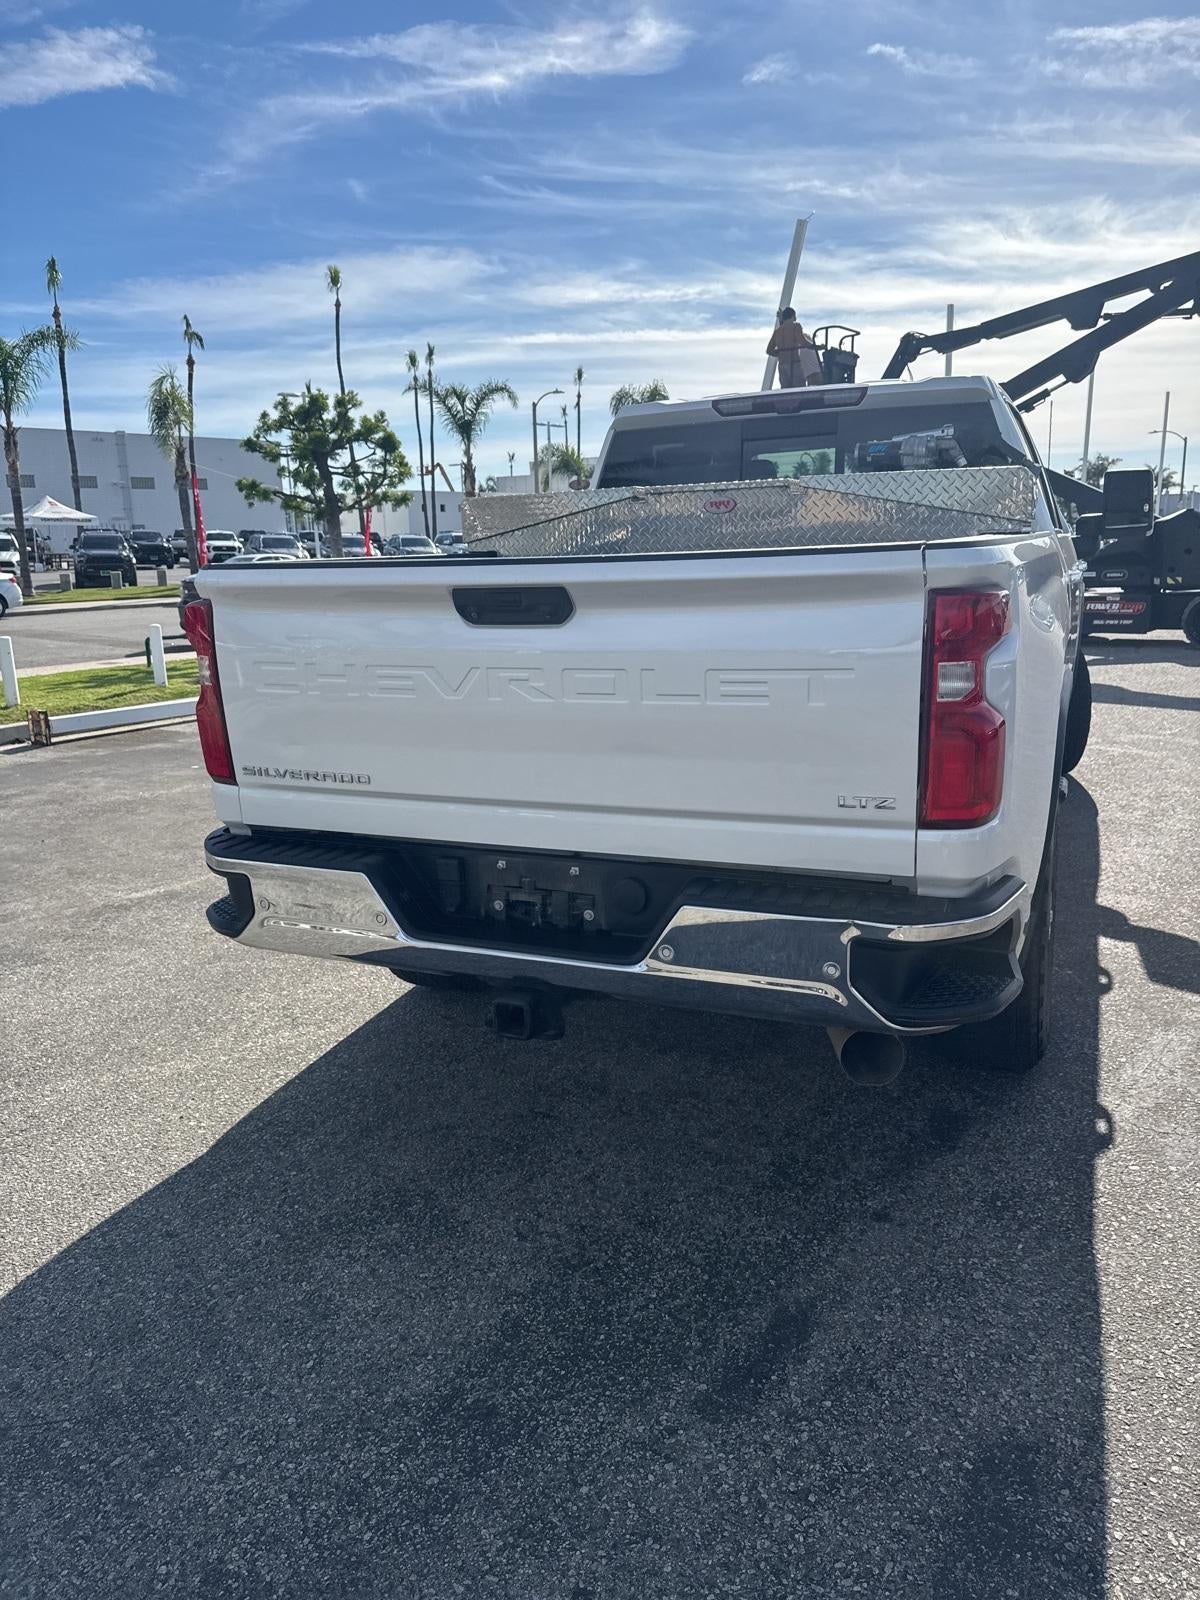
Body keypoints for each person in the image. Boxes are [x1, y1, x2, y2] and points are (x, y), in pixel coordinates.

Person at [766, 308, 823, 389]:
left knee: (786, 391)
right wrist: (817, 347)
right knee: (799, 390)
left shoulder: (777, 332)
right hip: (794, 364)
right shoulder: (795, 326)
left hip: (782, 366)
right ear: (793, 316)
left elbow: (769, 350)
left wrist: (780, 354)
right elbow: (803, 342)